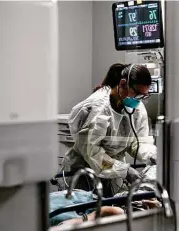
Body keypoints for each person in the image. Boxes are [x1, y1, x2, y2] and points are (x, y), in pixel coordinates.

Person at [61, 63, 157, 196]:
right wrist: (125, 170)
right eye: (138, 95)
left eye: (144, 96)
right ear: (123, 84)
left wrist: (152, 155)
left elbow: (138, 142)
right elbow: (92, 153)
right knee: (86, 213)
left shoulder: (137, 109)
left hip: (111, 173)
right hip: (84, 172)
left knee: (111, 211)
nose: (140, 101)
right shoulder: (98, 109)